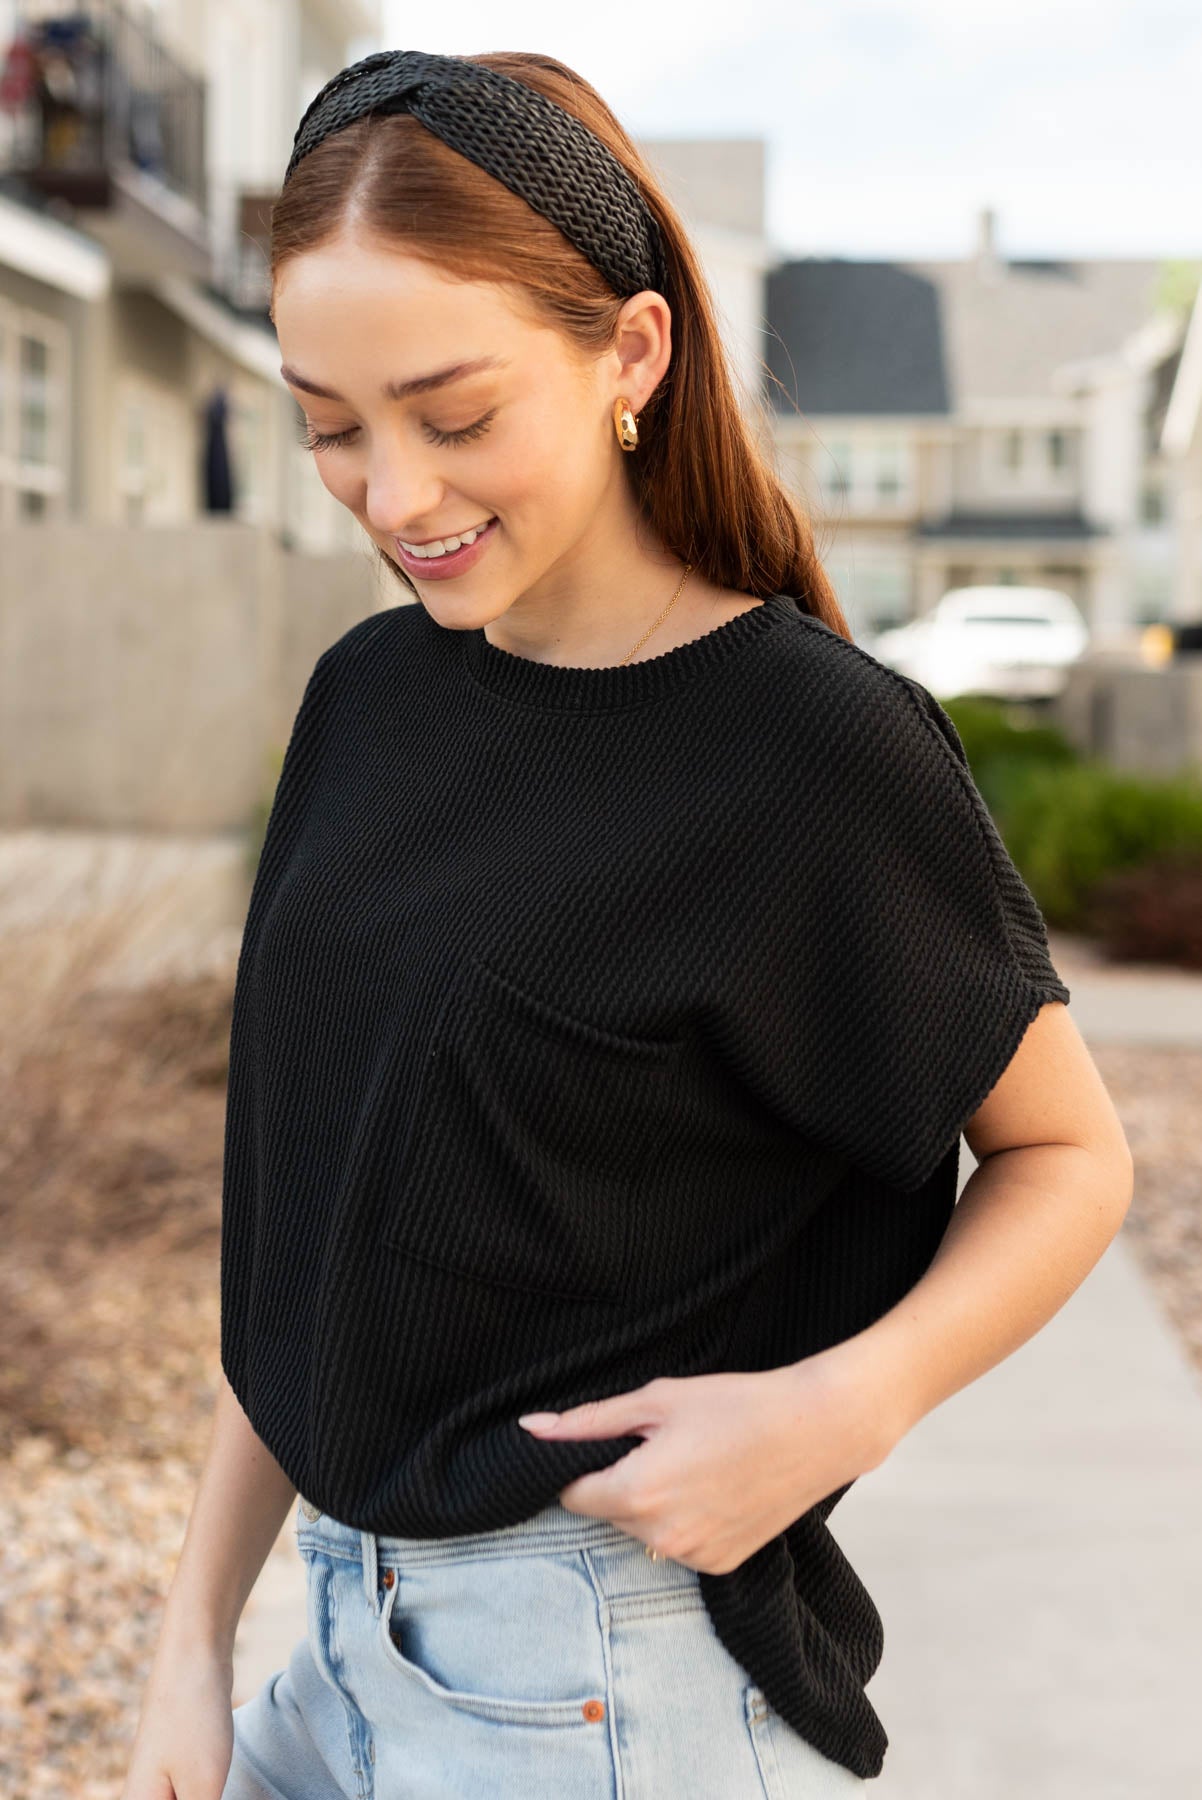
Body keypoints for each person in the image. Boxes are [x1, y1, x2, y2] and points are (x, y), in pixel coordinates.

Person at [121, 47, 1134, 1800]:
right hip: (335, 1654)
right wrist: (191, 1641)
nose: (394, 496)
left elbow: (1067, 1158)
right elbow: (313, 1242)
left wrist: (845, 1404)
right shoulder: (367, 697)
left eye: (453, 416)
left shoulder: (805, 749)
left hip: (601, 1685)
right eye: (328, 424)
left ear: (631, 356)